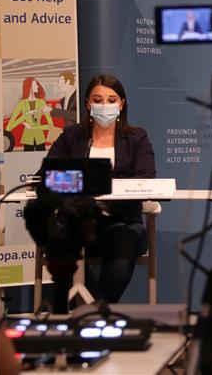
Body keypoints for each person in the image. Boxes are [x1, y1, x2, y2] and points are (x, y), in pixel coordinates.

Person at [37, 74, 155, 303]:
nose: (105, 105)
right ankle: (97, 313)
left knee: (123, 244)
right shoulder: (72, 136)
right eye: (98, 99)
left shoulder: (136, 138)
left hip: (121, 221)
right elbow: (47, 174)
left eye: (111, 100)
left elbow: (146, 177)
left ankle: (94, 312)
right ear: (88, 104)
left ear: (122, 104)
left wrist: (98, 183)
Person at [5, 76, 54, 151]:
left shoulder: (41, 102)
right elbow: (9, 127)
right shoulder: (21, 103)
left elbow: (51, 125)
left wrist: (32, 127)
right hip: (28, 138)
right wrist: (25, 115)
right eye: (35, 84)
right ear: (29, 87)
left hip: (40, 138)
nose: (38, 86)